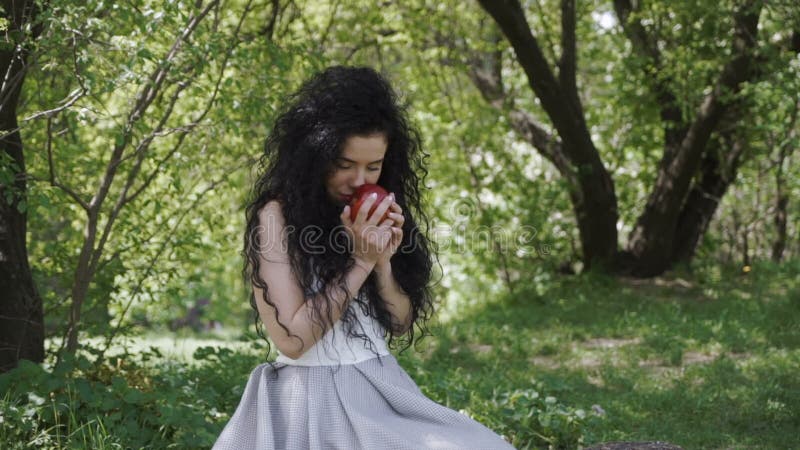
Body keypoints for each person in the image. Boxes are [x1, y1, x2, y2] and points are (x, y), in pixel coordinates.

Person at [212, 66, 516, 450]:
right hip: (310, 400)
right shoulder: (276, 216)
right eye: (344, 165)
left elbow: (400, 323)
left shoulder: (378, 208)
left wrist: (382, 263)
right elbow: (292, 340)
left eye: (373, 167)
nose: (360, 181)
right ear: (315, 156)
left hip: (381, 388)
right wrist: (359, 263)